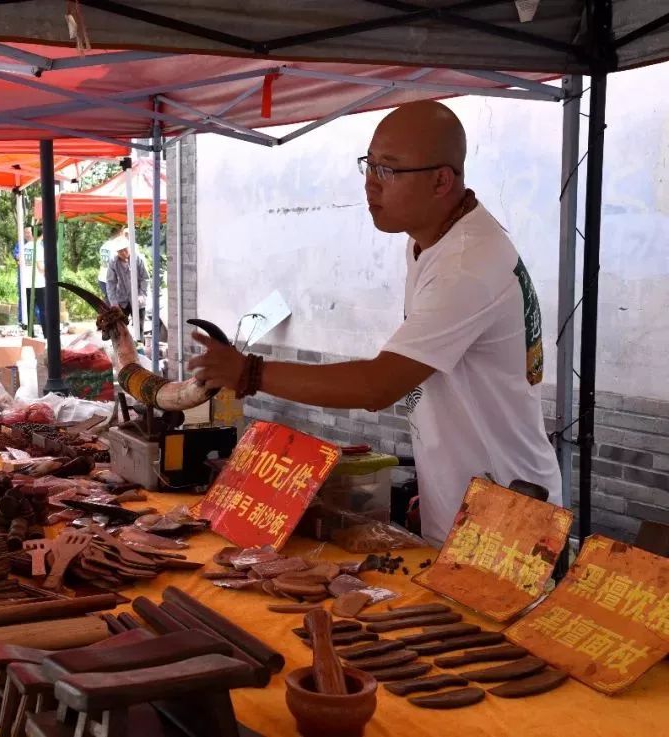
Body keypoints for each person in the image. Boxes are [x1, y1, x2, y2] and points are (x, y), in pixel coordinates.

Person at [189, 101, 562, 545]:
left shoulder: (468, 264)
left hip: (507, 510)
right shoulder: (429, 242)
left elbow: (377, 386)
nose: (369, 185)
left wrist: (250, 373)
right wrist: (436, 483)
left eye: (388, 171)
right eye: (368, 166)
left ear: (442, 180)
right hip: (471, 499)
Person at [105, 242, 148, 327]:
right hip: (121, 298)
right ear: (117, 252)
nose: (124, 253)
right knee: (119, 326)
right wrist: (114, 302)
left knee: (139, 328)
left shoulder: (138, 259)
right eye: (120, 251)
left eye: (125, 249)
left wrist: (142, 295)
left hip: (138, 298)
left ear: (129, 248)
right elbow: (111, 282)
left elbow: (145, 279)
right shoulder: (113, 262)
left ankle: (138, 340)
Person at [17, 227, 47, 334]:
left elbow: (20, 263)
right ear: (42, 235)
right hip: (38, 282)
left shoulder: (25, 247)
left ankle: (31, 333)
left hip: (26, 282)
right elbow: (40, 267)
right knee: (43, 309)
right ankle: (46, 334)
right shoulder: (38, 248)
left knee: (29, 309)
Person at [96, 228, 126, 303]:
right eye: (123, 233)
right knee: (115, 304)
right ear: (120, 234)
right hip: (111, 280)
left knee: (108, 302)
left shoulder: (104, 245)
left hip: (102, 278)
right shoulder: (117, 247)